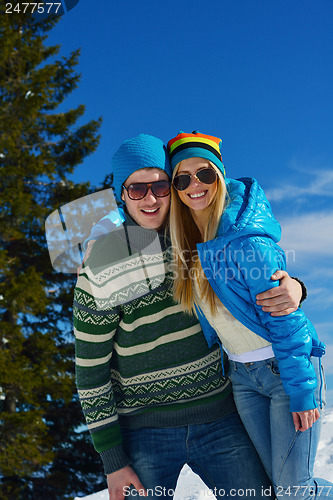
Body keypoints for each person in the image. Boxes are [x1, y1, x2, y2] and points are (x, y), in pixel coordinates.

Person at [74, 134, 304, 500]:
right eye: (137, 189)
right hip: (144, 431)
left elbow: (253, 272)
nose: (150, 198)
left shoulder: (199, 239)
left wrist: (295, 287)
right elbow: (90, 371)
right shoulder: (101, 264)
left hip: (221, 417)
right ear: (122, 194)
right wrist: (113, 462)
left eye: (160, 185)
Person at [167, 131, 331, 500]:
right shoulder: (190, 247)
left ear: (221, 176)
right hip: (242, 379)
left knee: (294, 490)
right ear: (175, 188)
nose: (195, 185)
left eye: (205, 173)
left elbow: (286, 319)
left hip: (282, 372)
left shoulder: (247, 241)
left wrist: (303, 390)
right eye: (183, 178)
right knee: (277, 487)